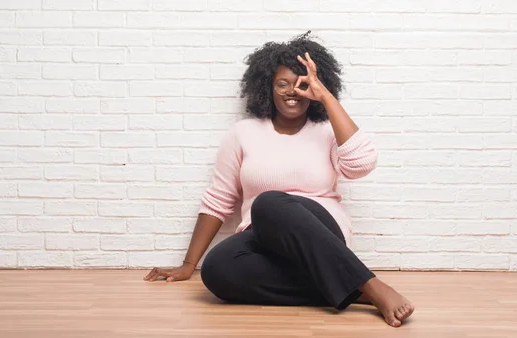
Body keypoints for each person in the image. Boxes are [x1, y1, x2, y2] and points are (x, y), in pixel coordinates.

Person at [144, 32, 414, 328]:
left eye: (301, 84)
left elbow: (362, 164)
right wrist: (188, 265)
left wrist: (325, 96)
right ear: (267, 88)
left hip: (321, 232)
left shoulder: (327, 130)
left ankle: (372, 285)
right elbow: (218, 199)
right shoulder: (243, 133)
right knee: (218, 269)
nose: (291, 92)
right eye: (281, 84)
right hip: (262, 237)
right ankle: (353, 291)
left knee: (269, 202)